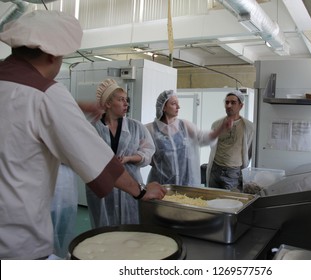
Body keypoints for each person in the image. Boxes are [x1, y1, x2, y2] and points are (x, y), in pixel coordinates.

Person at [0, 10, 166, 260]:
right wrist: (141, 192)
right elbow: (96, 159)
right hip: (17, 244)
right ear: (52, 54)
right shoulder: (47, 95)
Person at [86, 79, 155, 228]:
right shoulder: (92, 128)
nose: (126, 104)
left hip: (130, 185)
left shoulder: (136, 127)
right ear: (108, 104)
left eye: (126, 100)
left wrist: (130, 158)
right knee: (104, 231)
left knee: (130, 232)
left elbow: (148, 151)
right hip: (102, 188)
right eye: (121, 100)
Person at [145, 90, 231, 186]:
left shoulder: (184, 126)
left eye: (178, 103)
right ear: (163, 107)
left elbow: (203, 138)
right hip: (160, 184)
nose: (178, 107)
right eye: (174, 104)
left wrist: (221, 129)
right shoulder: (150, 129)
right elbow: (145, 155)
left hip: (185, 184)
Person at [206, 90, 254, 191]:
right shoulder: (216, 124)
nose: (229, 105)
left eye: (233, 102)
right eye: (227, 102)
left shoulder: (248, 127)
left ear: (241, 105)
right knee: (211, 200)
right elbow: (212, 145)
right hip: (215, 169)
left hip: (233, 172)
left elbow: (250, 150)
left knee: (230, 202)